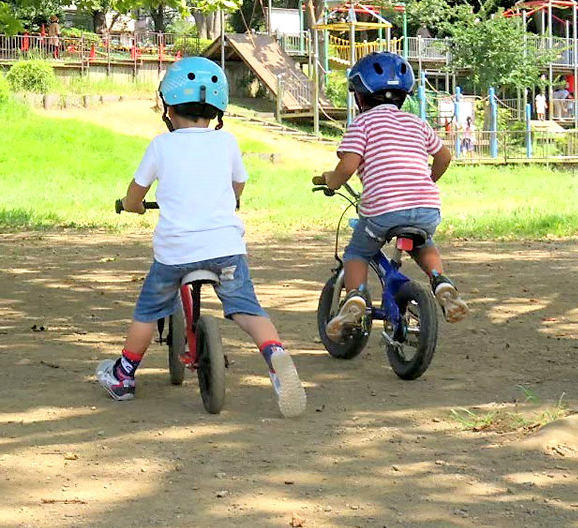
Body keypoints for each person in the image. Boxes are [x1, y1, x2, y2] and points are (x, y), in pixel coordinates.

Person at [97, 57, 306, 418]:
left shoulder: (161, 145)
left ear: (168, 107)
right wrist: (232, 198)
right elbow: (238, 183)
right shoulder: (226, 142)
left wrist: (133, 206)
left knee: (147, 311)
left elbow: (136, 192)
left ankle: (124, 375)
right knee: (246, 308)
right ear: (217, 108)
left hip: (175, 254)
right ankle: (274, 353)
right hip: (225, 249)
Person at [315, 51, 469, 338]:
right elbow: (444, 156)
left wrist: (332, 182)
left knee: (357, 252)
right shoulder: (417, 123)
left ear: (360, 97)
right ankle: (440, 281)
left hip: (383, 211)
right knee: (423, 243)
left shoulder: (361, 124)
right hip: (426, 207)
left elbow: (347, 165)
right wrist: (428, 180)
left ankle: (356, 297)